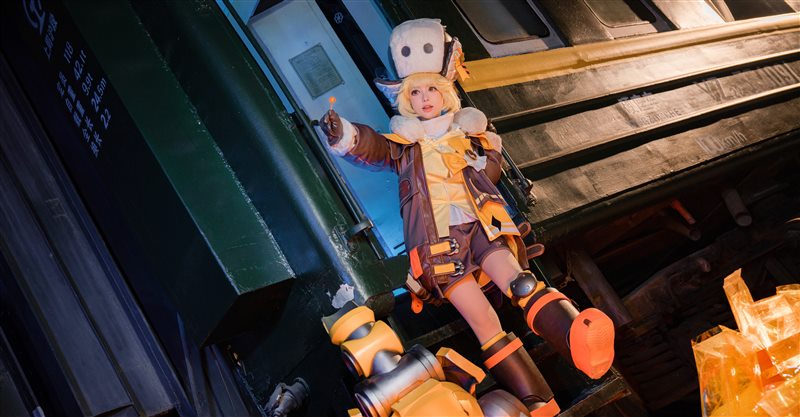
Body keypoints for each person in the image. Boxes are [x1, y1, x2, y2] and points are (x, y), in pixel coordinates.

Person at [320, 18, 615, 416]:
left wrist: (487, 152)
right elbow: (371, 147)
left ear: (445, 92)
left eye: (431, 90)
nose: (425, 99)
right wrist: (344, 132)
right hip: (439, 248)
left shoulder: (467, 135)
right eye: (416, 92)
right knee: (484, 322)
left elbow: (489, 176)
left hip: (482, 226)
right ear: (407, 100)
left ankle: (578, 336)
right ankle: (539, 403)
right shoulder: (404, 146)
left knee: (521, 283)